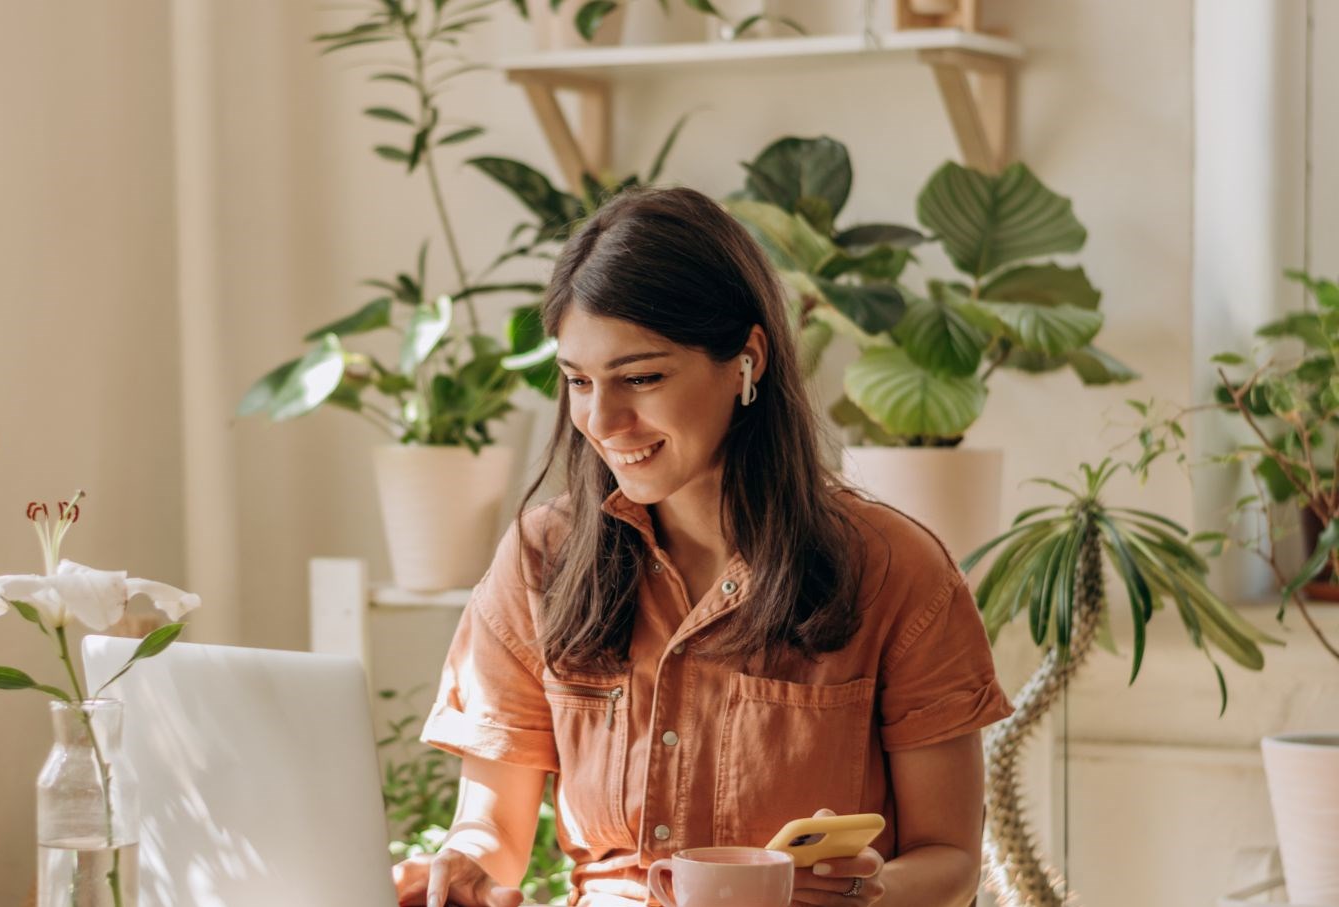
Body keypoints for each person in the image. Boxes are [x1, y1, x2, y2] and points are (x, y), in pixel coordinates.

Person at [391, 186, 1014, 907]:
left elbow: (951, 860)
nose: (602, 418)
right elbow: (490, 830)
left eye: (642, 377)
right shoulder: (542, 556)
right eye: (577, 381)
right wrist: (462, 865)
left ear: (747, 359)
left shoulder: (895, 568)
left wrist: (867, 896)